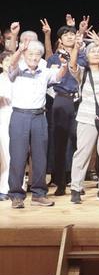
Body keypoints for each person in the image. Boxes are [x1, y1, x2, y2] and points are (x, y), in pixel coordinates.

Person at [6, 39, 71, 208]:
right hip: (20, 115)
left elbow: (58, 77)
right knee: (18, 157)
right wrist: (20, 50)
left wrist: (64, 65)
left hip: (39, 116)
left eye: (37, 54)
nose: (34, 57)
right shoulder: (18, 69)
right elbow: (12, 65)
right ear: (25, 55)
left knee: (40, 156)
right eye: (30, 54)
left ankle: (38, 194)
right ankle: (16, 195)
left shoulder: (44, 71)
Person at [45, 25, 80, 196]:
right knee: (60, 143)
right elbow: (49, 83)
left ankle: (76, 181)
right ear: (60, 39)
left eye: (72, 34)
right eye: (66, 35)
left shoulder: (82, 55)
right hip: (61, 100)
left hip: (79, 101)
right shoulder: (53, 59)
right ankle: (60, 182)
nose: (70, 37)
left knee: (78, 142)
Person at [0, 51, 12, 202]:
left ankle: (14, 187)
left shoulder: (20, 79)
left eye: (12, 60)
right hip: (2, 118)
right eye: (6, 61)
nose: (9, 63)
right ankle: (3, 187)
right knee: (4, 156)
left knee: (15, 154)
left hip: (17, 117)